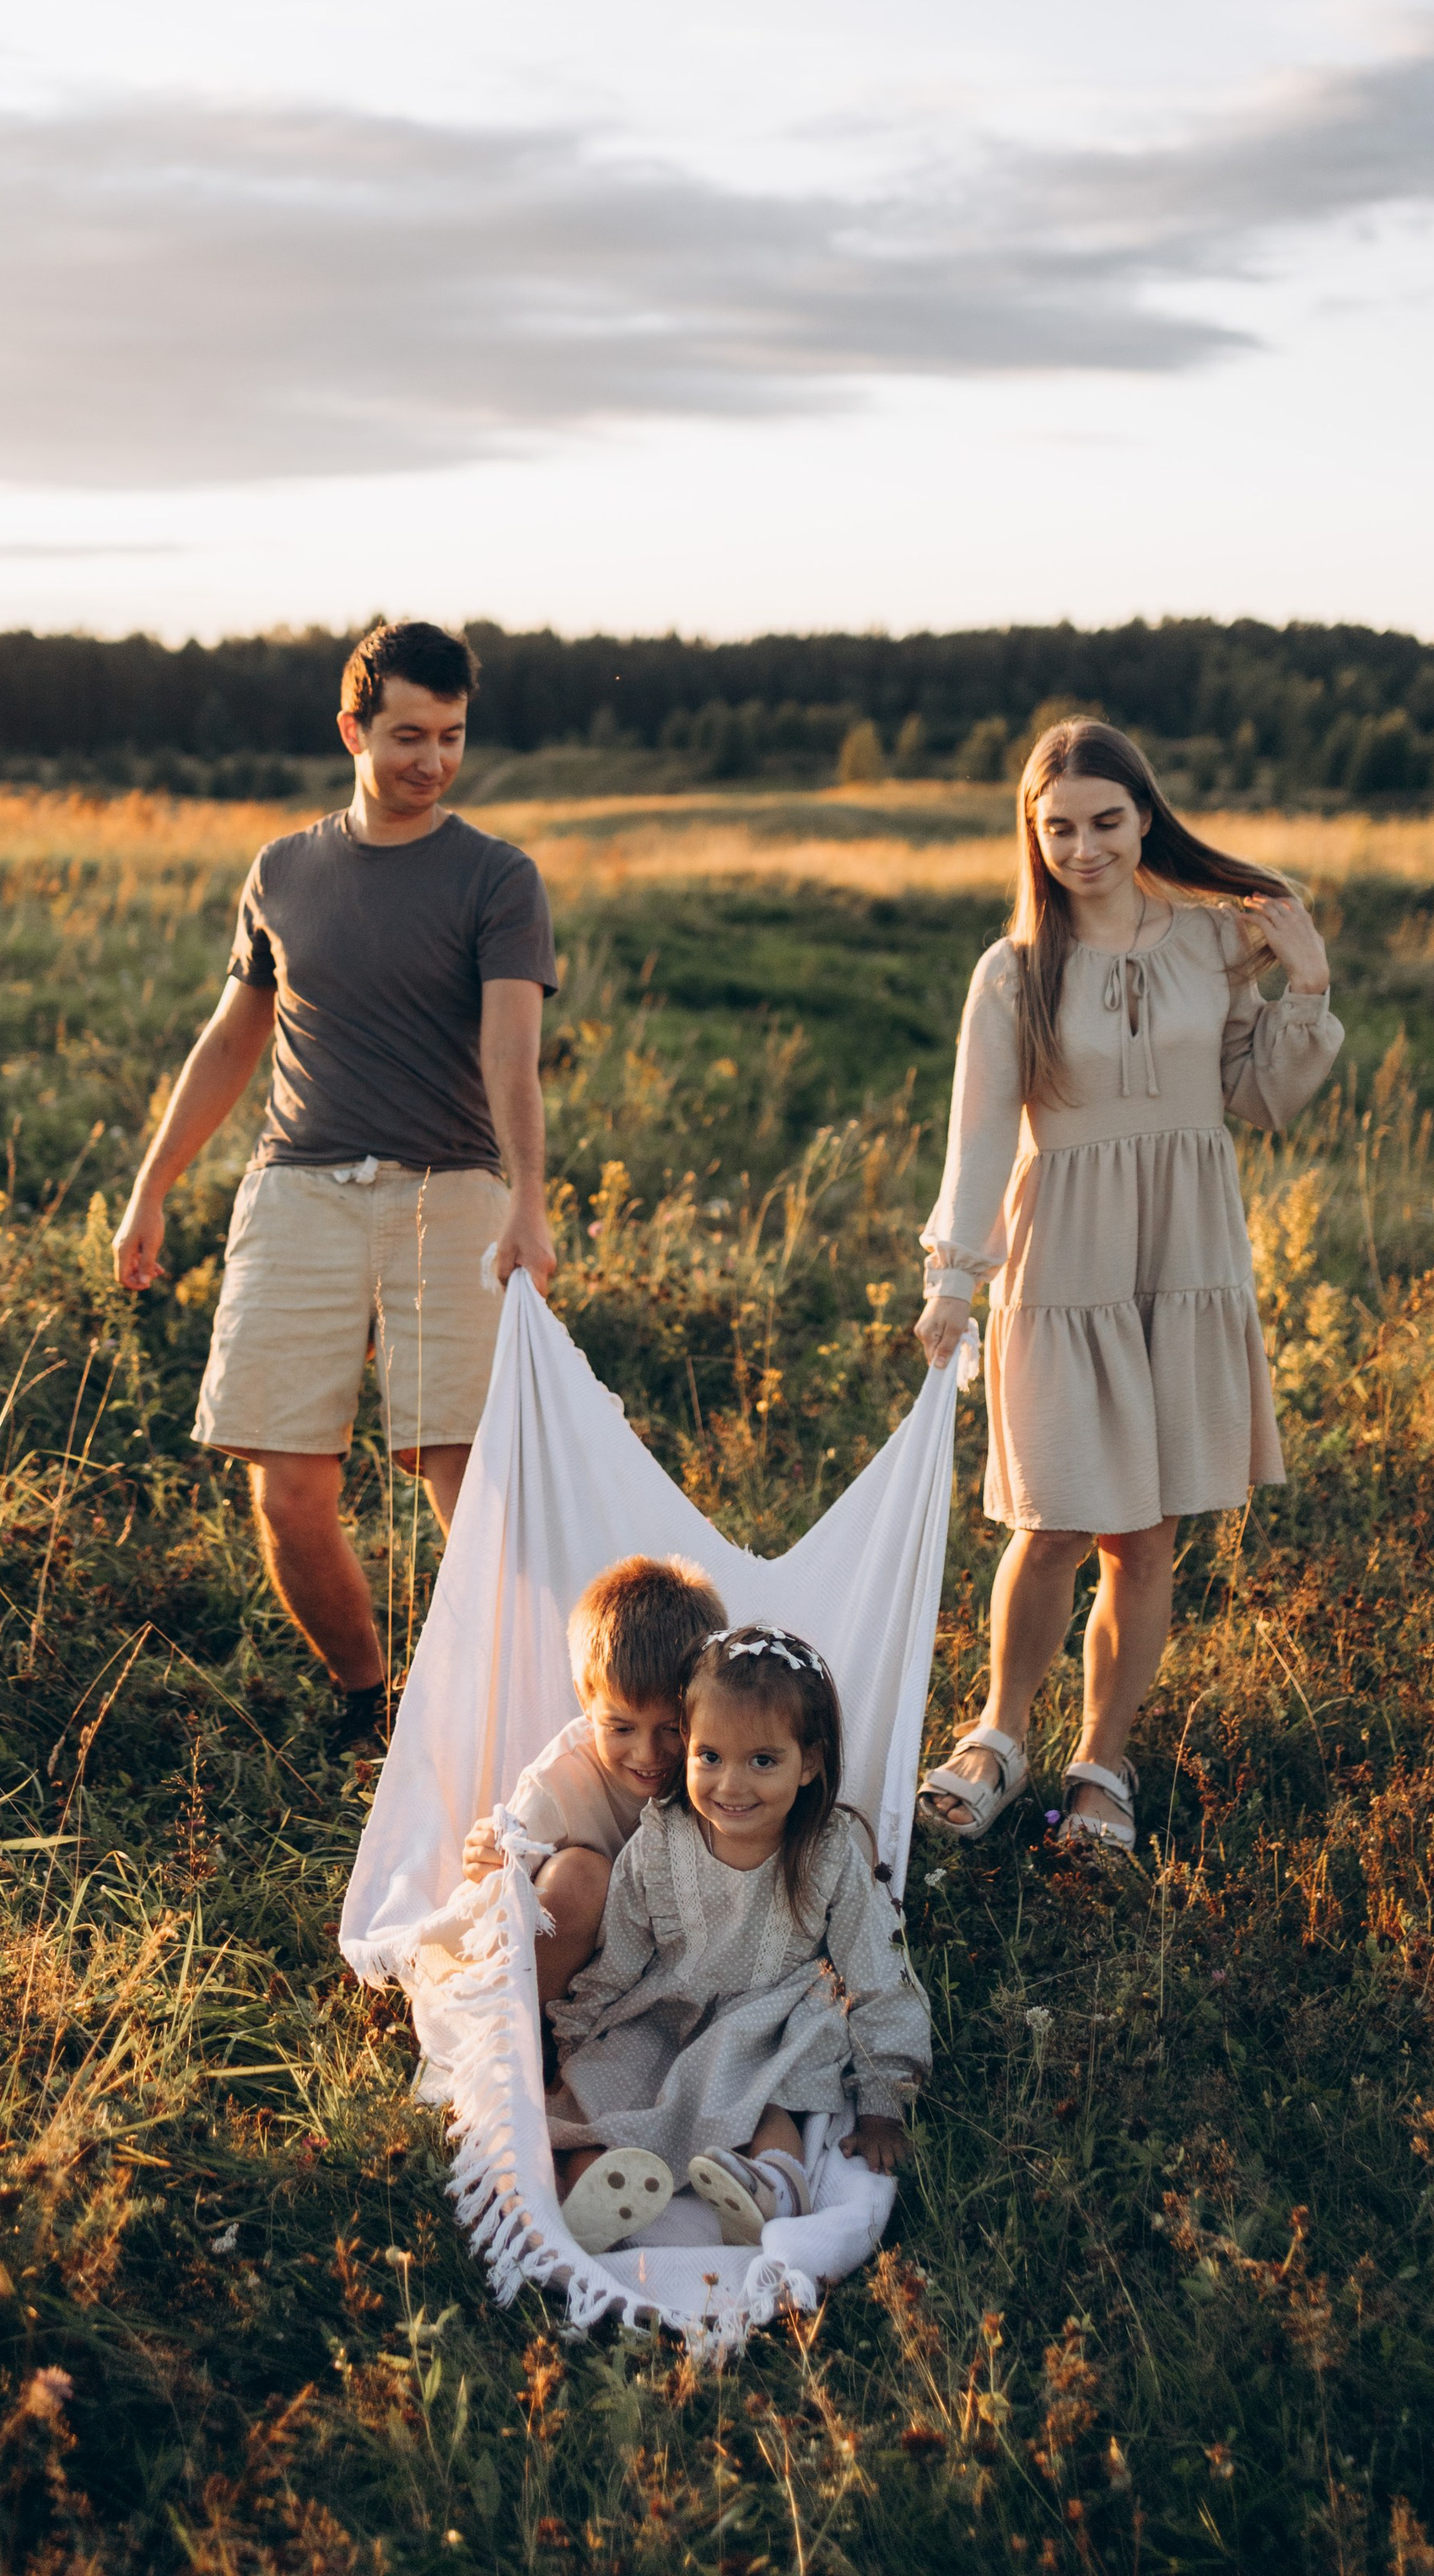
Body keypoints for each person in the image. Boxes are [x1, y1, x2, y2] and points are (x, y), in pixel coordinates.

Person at [113, 618, 558, 1750]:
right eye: (409, 735)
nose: (434, 761)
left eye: (452, 737)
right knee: (288, 1494)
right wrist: (153, 1186)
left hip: (448, 1192)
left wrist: (527, 1201)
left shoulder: (498, 879)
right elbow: (232, 1039)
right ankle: (371, 1704)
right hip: (297, 1191)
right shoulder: (283, 871)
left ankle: (510, 1720)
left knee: (463, 1485)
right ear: (353, 727)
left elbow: (513, 1049)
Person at [913, 717, 1342, 1855]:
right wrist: (955, 1276)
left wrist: (1307, 987)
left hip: (1185, 1250)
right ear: (1032, 834)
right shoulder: (1013, 969)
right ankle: (999, 1737)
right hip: (1063, 1257)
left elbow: (1261, 1097)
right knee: (1053, 1520)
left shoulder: (1212, 943)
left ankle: (1103, 1765)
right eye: (1058, 828)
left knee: (1144, 1536)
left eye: (1105, 821)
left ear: (1146, 815)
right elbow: (975, 1138)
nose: (1083, 847)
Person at [543, 1626, 931, 2259]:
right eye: (710, 1757)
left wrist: (884, 2100)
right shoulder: (661, 1843)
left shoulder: (828, 1854)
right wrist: (575, 2032)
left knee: (766, 2099)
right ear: (687, 1750)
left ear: (809, 1762)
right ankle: (597, 2190)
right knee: (598, 2086)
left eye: (763, 1761)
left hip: (770, 2016)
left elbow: (876, 1973)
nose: (731, 1785)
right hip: (666, 2007)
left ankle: (769, 2187)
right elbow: (619, 1955)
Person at [461, 1554, 728, 2008]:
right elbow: (498, 1895)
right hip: (579, 1952)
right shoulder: (559, 1781)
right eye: (621, 1729)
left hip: (676, 1956)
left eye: (672, 1728)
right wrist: (485, 1861)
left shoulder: (719, 1760)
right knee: (578, 1875)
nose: (647, 1755)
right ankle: (539, 2029)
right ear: (586, 1701)